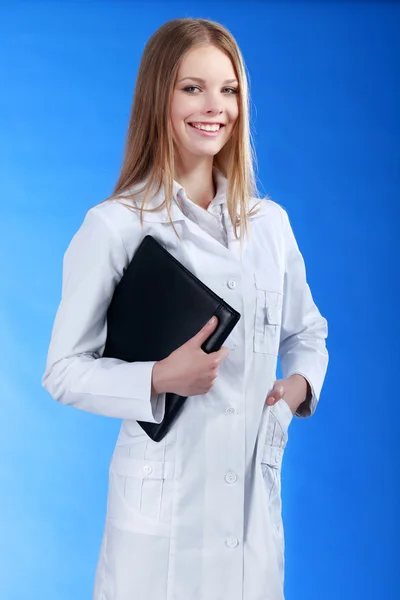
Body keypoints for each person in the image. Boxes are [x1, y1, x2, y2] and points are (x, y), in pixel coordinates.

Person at [42, 17, 329, 600]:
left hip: (249, 517)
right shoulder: (116, 225)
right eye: (191, 87)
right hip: (161, 523)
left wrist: (298, 385)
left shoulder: (270, 227)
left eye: (228, 89)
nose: (214, 106)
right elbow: (63, 371)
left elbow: (308, 332)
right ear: (159, 96)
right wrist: (159, 377)